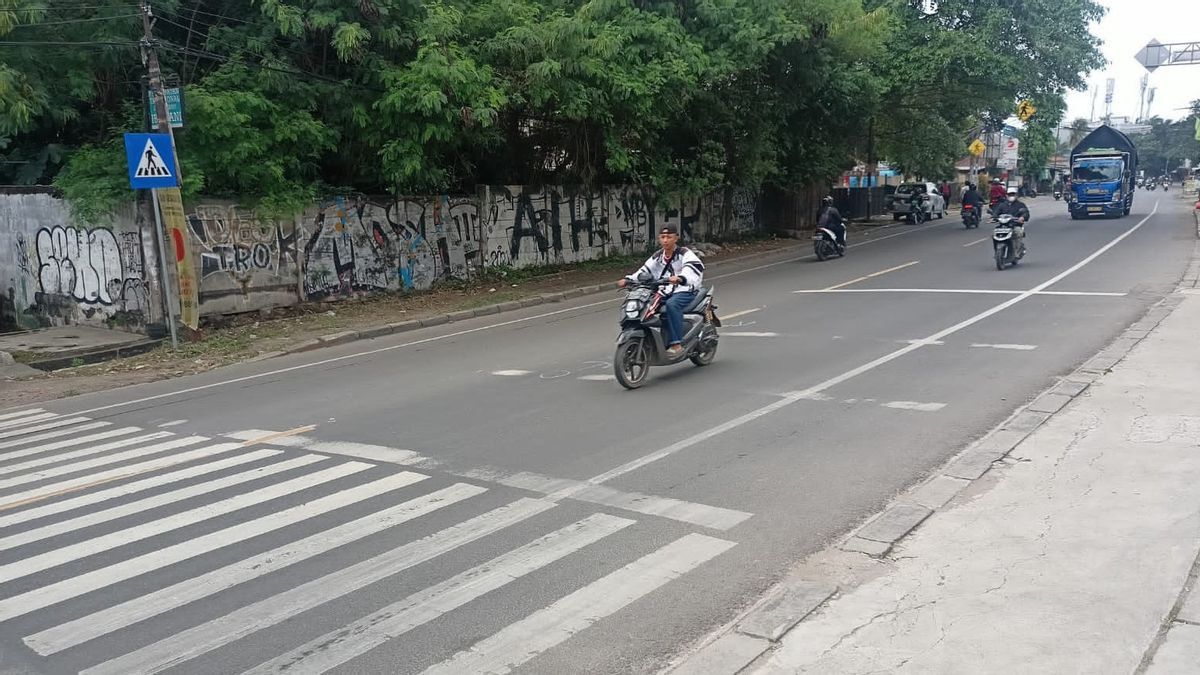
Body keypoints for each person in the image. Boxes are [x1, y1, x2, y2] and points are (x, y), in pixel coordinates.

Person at [617, 224, 704, 356]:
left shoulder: (684, 253)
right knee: (645, 304)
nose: (665, 240)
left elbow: (692, 269)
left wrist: (681, 278)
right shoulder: (658, 256)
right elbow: (644, 270)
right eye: (662, 237)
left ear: (676, 238)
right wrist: (628, 279)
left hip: (684, 290)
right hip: (665, 290)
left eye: (669, 237)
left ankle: (676, 343)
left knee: (671, 305)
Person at [993, 186, 1030, 256]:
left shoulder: (1020, 205)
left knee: (1018, 232)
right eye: (1010, 194)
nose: (1011, 196)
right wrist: (994, 217)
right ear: (1006, 195)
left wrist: (1022, 217)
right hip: (1003, 226)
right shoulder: (1002, 205)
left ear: (1016, 195)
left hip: (1015, 225)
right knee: (995, 233)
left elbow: (1026, 213)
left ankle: (1017, 251)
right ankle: (996, 251)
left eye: (1013, 194)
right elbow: (996, 213)